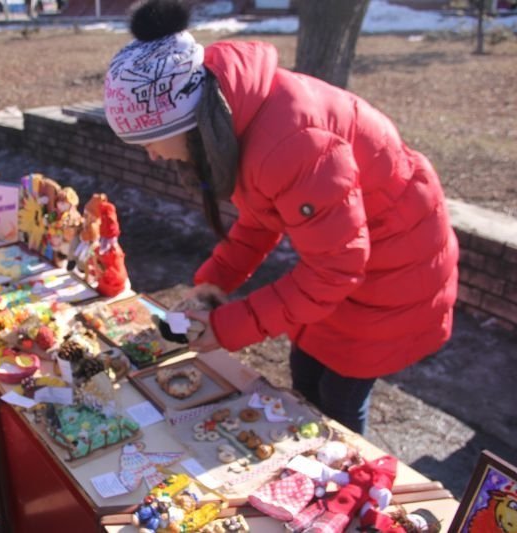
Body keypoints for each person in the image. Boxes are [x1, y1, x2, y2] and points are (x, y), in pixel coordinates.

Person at [103, 0, 458, 435]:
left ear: (180, 121)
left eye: (149, 143)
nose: (153, 157)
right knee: (306, 371)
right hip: (349, 253)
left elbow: (335, 269)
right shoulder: (234, 117)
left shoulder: (290, 141)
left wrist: (226, 328)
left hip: (396, 266)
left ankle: (346, 472)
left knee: (340, 395)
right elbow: (262, 217)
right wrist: (214, 282)